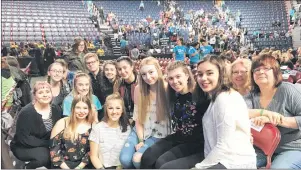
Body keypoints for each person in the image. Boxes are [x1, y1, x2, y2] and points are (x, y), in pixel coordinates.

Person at [140, 61, 210, 169]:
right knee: (147, 157)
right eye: (171, 78)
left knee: (162, 163)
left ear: (187, 75)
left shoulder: (200, 95)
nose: (174, 81)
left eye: (178, 76)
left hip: (196, 143)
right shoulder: (173, 95)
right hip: (177, 137)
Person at [194, 55, 256, 169]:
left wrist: (199, 167)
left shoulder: (224, 99)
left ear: (221, 74)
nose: (203, 78)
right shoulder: (215, 96)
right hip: (221, 159)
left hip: (234, 162)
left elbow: (224, 145)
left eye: (209, 73)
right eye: (200, 74)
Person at [244, 54, 301, 169]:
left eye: (266, 68)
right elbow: (239, 112)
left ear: (275, 72)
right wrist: (262, 114)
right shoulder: (251, 96)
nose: (260, 72)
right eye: (256, 69)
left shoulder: (288, 90)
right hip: (259, 149)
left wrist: (279, 120)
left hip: (291, 148)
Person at [119, 57, 171, 169]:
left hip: (159, 133)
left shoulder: (167, 88)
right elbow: (138, 118)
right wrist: (141, 140)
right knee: (124, 160)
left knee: (137, 159)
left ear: (158, 70)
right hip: (141, 129)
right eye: (143, 74)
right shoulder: (139, 89)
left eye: (151, 72)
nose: (148, 77)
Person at [10, 81, 61, 169]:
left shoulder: (56, 109)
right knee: (46, 157)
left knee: (59, 156)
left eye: (47, 92)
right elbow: (24, 139)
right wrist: (48, 144)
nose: (45, 95)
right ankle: (27, 167)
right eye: (40, 93)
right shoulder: (26, 113)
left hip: (46, 143)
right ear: (35, 95)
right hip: (23, 146)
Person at [50, 96, 96, 169]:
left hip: (84, 165)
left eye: (85, 108)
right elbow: (54, 150)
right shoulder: (62, 123)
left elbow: (92, 151)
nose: (81, 111)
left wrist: (79, 167)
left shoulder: (93, 125)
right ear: (73, 108)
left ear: (89, 110)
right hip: (62, 165)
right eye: (78, 108)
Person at [89, 93, 131, 169]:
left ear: (122, 111)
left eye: (118, 108)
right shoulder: (98, 128)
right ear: (106, 110)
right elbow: (93, 156)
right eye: (110, 108)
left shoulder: (128, 129)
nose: (114, 112)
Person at [114, 56, 138, 121]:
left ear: (132, 67)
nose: (122, 71)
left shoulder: (141, 82)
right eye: (119, 69)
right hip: (124, 118)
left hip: (140, 118)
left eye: (125, 68)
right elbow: (116, 101)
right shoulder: (118, 83)